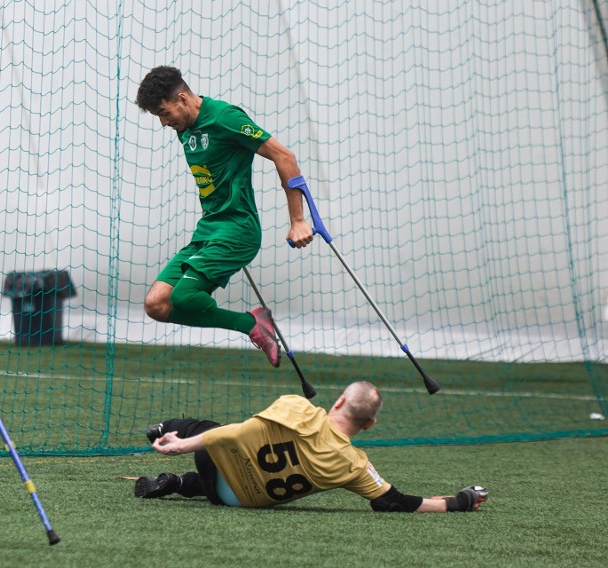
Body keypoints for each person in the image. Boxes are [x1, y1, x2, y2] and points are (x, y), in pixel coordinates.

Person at [135, 66, 315, 368]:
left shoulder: (225, 117)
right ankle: (253, 324)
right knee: (156, 304)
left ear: (182, 98)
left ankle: (251, 325)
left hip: (238, 230)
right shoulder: (185, 128)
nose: (164, 123)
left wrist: (297, 220)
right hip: (207, 231)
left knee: (183, 298)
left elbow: (285, 156)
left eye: (165, 113)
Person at [133, 381, 488, 512]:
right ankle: (178, 483)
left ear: (337, 403)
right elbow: (392, 501)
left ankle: (164, 429)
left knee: (209, 429)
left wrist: (182, 443)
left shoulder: (297, 406)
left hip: (218, 467)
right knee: (217, 466)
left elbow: (236, 434)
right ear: (370, 424)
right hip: (239, 500)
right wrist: (458, 502)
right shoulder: (354, 465)